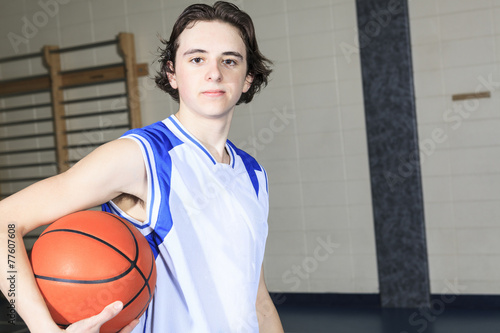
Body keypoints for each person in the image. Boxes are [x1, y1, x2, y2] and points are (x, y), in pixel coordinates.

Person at [0, 1, 284, 332]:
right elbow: (4, 222)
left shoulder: (254, 176)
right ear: (172, 74)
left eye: (229, 61)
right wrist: (41, 326)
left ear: (247, 78)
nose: (214, 72)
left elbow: (258, 300)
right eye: (197, 59)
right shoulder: (141, 156)